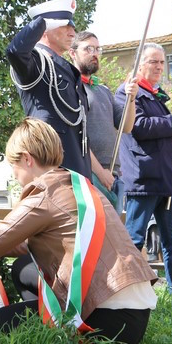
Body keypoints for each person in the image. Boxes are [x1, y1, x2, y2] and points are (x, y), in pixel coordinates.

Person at [0, 118, 157, 344]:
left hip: (105, 323)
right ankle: (50, 334)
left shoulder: (43, 196)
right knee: (22, 268)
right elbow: (27, 244)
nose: (14, 177)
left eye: (13, 167)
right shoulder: (79, 184)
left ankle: (59, 333)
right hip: (135, 320)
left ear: (27, 159)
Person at [113, 42, 172, 292]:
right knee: (134, 240)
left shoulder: (157, 95)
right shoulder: (128, 93)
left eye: (162, 62)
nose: (159, 67)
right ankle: (124, 291)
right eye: (153, 61)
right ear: (139, 65)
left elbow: (164, 131)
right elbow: (140, 127)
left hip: (167, 180)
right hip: (144, 180)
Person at [7, 0, 91, 176]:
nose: (72, 32)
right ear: (45, 30)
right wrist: (42, 22)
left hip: (77, 165)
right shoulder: (35, 62)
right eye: (65, 25)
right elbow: (15, 51)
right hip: (51, 165)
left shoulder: (65, 66)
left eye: (72, 27)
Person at [69, 30, 136, 212]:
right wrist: (100, 173)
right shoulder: (71, 89)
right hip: (88, 173)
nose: (94, 54)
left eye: (98, 49)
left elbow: (126, 126)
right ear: (72, 53)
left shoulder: (103, 90)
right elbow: (75, 136)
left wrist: (131, 98)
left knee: (111, 235)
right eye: (88, 49)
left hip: (113, 173)